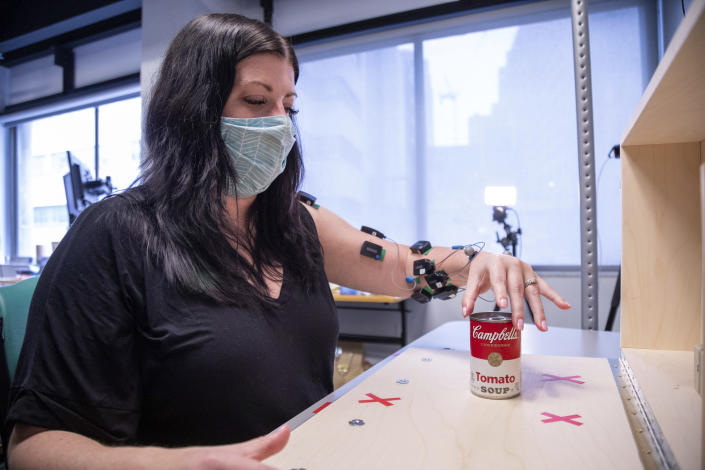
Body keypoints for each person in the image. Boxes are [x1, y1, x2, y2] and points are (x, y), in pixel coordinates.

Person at [5, 13, 571, 470]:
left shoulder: (295, 221)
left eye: (288, 106)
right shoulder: (116, 235)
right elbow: (32, 446)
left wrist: (482, 260)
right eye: (256, 102)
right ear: (193, 111)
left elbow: (399, 263)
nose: (279, 123)